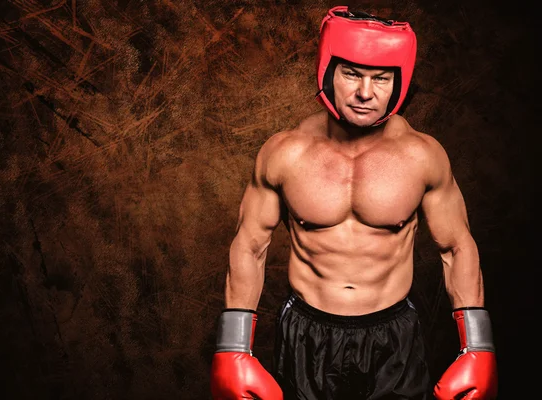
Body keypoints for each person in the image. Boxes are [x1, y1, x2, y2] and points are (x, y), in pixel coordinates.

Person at [210, 6, 498, 400]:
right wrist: (233, 348)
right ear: (328, 72)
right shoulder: (285, 153)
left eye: (381, 78)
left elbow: (456, 246)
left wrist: (478, 345)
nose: (366, 92)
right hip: (306, 335)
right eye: (352, 74)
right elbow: (250, 244)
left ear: (400, 82)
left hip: (392, 338)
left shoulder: (423, 156)